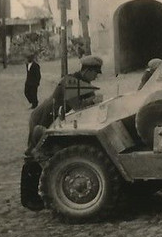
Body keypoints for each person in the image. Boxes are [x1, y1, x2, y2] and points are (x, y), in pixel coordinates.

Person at [21, 55, 105, 211]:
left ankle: (39, 194)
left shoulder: (83, 82)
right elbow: (78, 107)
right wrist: (92, 101)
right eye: (95, 73)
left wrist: (93, 99)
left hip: (54, 117)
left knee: (46, 154)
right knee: (33, 153)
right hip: (43, 117)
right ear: (87, 70)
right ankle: (29, 199)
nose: (96, 77)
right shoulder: (70, 81)